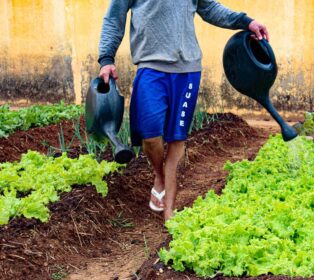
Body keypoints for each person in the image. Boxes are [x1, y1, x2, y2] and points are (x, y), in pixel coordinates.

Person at [98, 0, 268, 221]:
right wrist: (106, 58)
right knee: (150, 137)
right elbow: (114, 18)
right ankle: (159, 176)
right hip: (151, 67)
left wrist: (246, 22)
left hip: (188, 69)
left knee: (177, 139)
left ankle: (169, 212)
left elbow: (209, 9)